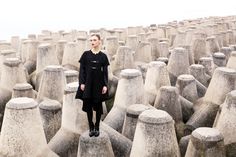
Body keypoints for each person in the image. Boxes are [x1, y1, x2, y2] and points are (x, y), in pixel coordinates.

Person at [75, 34, 109, 137]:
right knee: (88, 106)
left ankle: (97, 127)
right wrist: (82, 83)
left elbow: (105, 73)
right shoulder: (85, 55)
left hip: (99, 85)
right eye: (91, 40)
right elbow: (82, 71)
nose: (92, 42)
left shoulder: (103, 56)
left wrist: (105, 85)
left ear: (99, 41)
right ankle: (91, 127)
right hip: (88, 85)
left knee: (98, 107)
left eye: (94, 40)